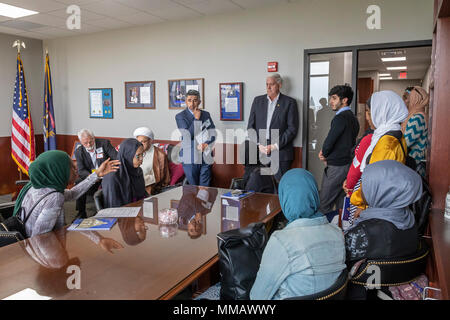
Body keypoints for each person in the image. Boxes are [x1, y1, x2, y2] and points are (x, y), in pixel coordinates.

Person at [249, 169, 346, 299]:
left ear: (284, 198)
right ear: (314, 195)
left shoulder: (281, 241)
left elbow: (257, 297)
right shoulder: (338, 233)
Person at [12, 150, 120, 238]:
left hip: (28, 244)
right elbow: (40, 237)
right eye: (72, 168)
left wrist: (96, 174)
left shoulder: (36, 185)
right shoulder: (54, 197)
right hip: (44, 252)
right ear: (58, 171)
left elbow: (72, 194)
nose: (76, 170)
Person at [345, 160, 422, 264]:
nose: (361, 188)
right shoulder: (409, 219)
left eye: (365, 183)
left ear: (382, 190)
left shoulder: (362, 233)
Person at [350, 91, 409, 211]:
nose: (367, 117)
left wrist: (359, 203)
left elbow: (375, 182)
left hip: (373, 203)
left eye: (369, 112)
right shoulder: (395, 134)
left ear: (381, 113)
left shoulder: (386, 143)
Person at [247, 73, 299, 182]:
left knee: (279, 185)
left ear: (279, 85)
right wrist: (258, 144)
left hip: (280, 153)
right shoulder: (258, 101)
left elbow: (292, 129)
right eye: (267, 84)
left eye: (272, 84)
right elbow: (250, 127)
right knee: (261, 184)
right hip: (261, 151)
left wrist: (275, 146)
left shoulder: (289, 103)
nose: (268, 87)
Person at [318, 84, 359, 216]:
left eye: (334, 98)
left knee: (324, 203)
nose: (331, 101)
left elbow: (330, 140)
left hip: (336, 167)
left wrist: (324, 153)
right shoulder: (353, 118)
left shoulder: (340, 118)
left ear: (344, 100)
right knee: (342, 203)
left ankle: (324, 235)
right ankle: (340, 232)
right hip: (348, 165)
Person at [74, 129, 118, 218]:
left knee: (110, 179)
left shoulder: (104, 144)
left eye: (91, 141)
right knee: (79, 182)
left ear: (94, 138)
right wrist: (93, 177)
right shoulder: (79, 152)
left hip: (107, 174)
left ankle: (103, 210)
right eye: (85, 143)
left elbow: (116, 158)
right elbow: (81, 171)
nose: (89, 145)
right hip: (92, 177)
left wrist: (108, 169)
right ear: (81, 142)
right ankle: (81, 212)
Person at [175, 90, 216, 186]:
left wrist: (206, 143)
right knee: (194, 187)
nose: (192, 103)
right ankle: (196, 201)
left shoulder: (206, 114)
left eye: (195, 100)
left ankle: (203, 201)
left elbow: (212, 132)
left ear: (199, 102)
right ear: (185, 101)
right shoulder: (180, 116)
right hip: (190, 156)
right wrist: (196, 119)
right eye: (189, 100)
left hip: (206, 154)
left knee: (205, 187)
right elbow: (188, 135)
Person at [102, 138, 147, 208]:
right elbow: (114, 208)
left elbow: (143, 196)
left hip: (138, 210)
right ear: (127, 155)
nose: (141, 159)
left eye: (142, 154)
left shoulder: (138, 171)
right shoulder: (112, 177)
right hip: (122, 215)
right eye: (138, 156)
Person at [133, 127, 170, 195]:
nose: (140, 144)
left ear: (150, 141)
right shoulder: (133, 151)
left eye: (143, 142)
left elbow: (161, 177)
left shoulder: (160, 155)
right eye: (138, 142)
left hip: (149, 186)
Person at [401, 86, 429, 177]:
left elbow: (405, 143)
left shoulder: (418, 118)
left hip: (415, 167)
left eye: (407, 99)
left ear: (415, 100)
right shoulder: (412, 115)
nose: (405, 102)